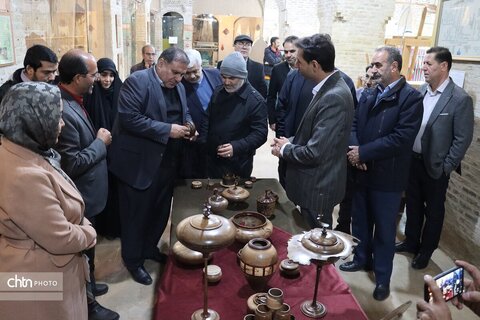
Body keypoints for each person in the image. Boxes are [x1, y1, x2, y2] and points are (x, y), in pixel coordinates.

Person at [0, 82, 97, 320]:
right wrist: (90, 232)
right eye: (56, 117)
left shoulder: (23, 149)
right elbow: (60, 239)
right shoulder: (24, 176)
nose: (62, 124)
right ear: (34, 120)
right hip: (39, 279)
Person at [339, 46, 423, 301]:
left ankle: (382, 277)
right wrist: (355, 150)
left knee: (385, 231)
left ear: (394, 67)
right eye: (373, 65)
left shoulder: (410, 98)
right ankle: (361, 259)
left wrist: (363, 152)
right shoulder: (369, 93)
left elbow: (400, 138)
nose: (372, 70)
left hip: (388, 177)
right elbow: (353, 122)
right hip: (362, 171)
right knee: (360, 221)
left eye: (378, 65)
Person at [108, 47, 194, 285]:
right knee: (136, 215)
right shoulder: (137, 81)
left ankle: (149, 249)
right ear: (161, 63)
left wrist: (188, 126)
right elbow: (129, 118)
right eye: (175, 73)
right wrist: (168, 130)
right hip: (139, 164)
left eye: (182, 75)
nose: (178, 79)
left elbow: (183, 113)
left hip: (167, 162)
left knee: (159, 211)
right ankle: (133, 260)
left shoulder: (178, 86)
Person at [395, 47, 474, 270]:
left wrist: (446, 166)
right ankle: (411, 242)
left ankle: (425, 251)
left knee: (434, 212)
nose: (424, 67)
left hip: (436, 167)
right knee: (413, 204)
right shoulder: (421, 92)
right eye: (424, 63)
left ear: (444, 66)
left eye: (429, 63)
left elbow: (462, 139)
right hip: (413, 161)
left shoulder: (459, 99)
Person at [54, 49, 119, 320]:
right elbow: (72, 163)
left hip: (91, 192)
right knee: (81, 253)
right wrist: (100, 143)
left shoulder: (77, 99)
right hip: (80, 194)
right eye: (93, 75)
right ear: (79, 77)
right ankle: (89, 304)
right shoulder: (64, 109)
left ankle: (90, 285)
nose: (97, 79)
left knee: (89, 254)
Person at [271, 34, 354, 229]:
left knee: (315, 247)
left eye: (300, 62)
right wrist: (289, 141)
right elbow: (314, 134)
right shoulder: (326, 88)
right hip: (313, 183)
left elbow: (315, 151)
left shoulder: (334, 96)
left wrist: (285, 150)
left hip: (318, 188)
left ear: (315, 65)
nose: (296, 66)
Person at [203, 51, 267, 179]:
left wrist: (236, 147)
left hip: (238, 162)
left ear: (243, 76)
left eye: (232, 78)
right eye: (223, 76)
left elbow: (260, 133)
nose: (226, 82)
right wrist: (204, 142)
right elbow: (207, 117)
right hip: (212, 159)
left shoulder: (255, 101)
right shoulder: (218, 91)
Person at [84, 57, 123, 239]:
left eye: (111, 76)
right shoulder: (90, 95)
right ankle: (103, 228)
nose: (107, 80)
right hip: (97, 149)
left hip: (117, 152)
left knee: (117, 191)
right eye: (103, 75)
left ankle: (117, 227)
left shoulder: (121, 92)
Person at [180, 49, 222, 178]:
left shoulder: (215, 75)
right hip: (194, 143)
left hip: (217, 138)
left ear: (201, 66)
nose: (192, 76)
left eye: (195, 71)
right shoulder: (179, 85)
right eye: (187, 73)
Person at [217, 34, 268, 98]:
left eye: (248, 44)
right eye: (241, 43)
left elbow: (263, 91)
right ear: (234, 46)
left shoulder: (258, 68)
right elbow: (218, 86)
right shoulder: (222, 65)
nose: (244, 47)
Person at [266, 35, 298, 131]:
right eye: (286, 51)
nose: (288, 55)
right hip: (282, 121)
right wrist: (272, 120)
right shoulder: (277, 69)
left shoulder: (307, 69)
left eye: (292, 51)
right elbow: (271, 96)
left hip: (301, 121)